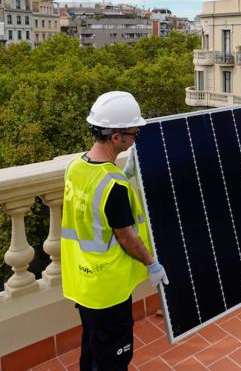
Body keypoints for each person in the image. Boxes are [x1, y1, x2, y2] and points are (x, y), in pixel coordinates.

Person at [61, 91, 168, 371]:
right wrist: (152, 263)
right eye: (133, 133)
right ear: (116, 137)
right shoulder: (114, 186)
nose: (136, 139)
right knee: (113, 360)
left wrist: (126, 172)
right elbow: (126, 237)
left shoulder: (75, 167)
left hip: (83, 283)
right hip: (108, 288)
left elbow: (92, 214)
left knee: (92, 349)